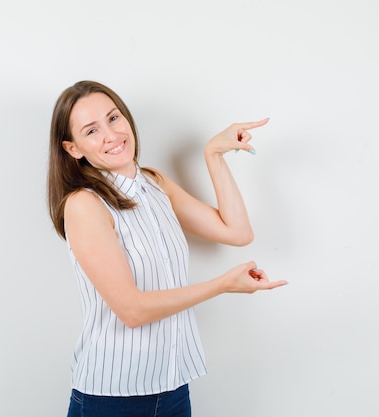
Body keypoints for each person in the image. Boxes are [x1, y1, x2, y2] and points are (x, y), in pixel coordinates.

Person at [47, 80, 288, 417]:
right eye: (92, 130)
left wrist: (213, 154)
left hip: (173, 388)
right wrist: (221, 285)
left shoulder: (154, 183)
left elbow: (237, 231)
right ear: (73, 149)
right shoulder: (84, 205)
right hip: (113, 399)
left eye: (114, 118)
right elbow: (132, 310)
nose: (111, 135)